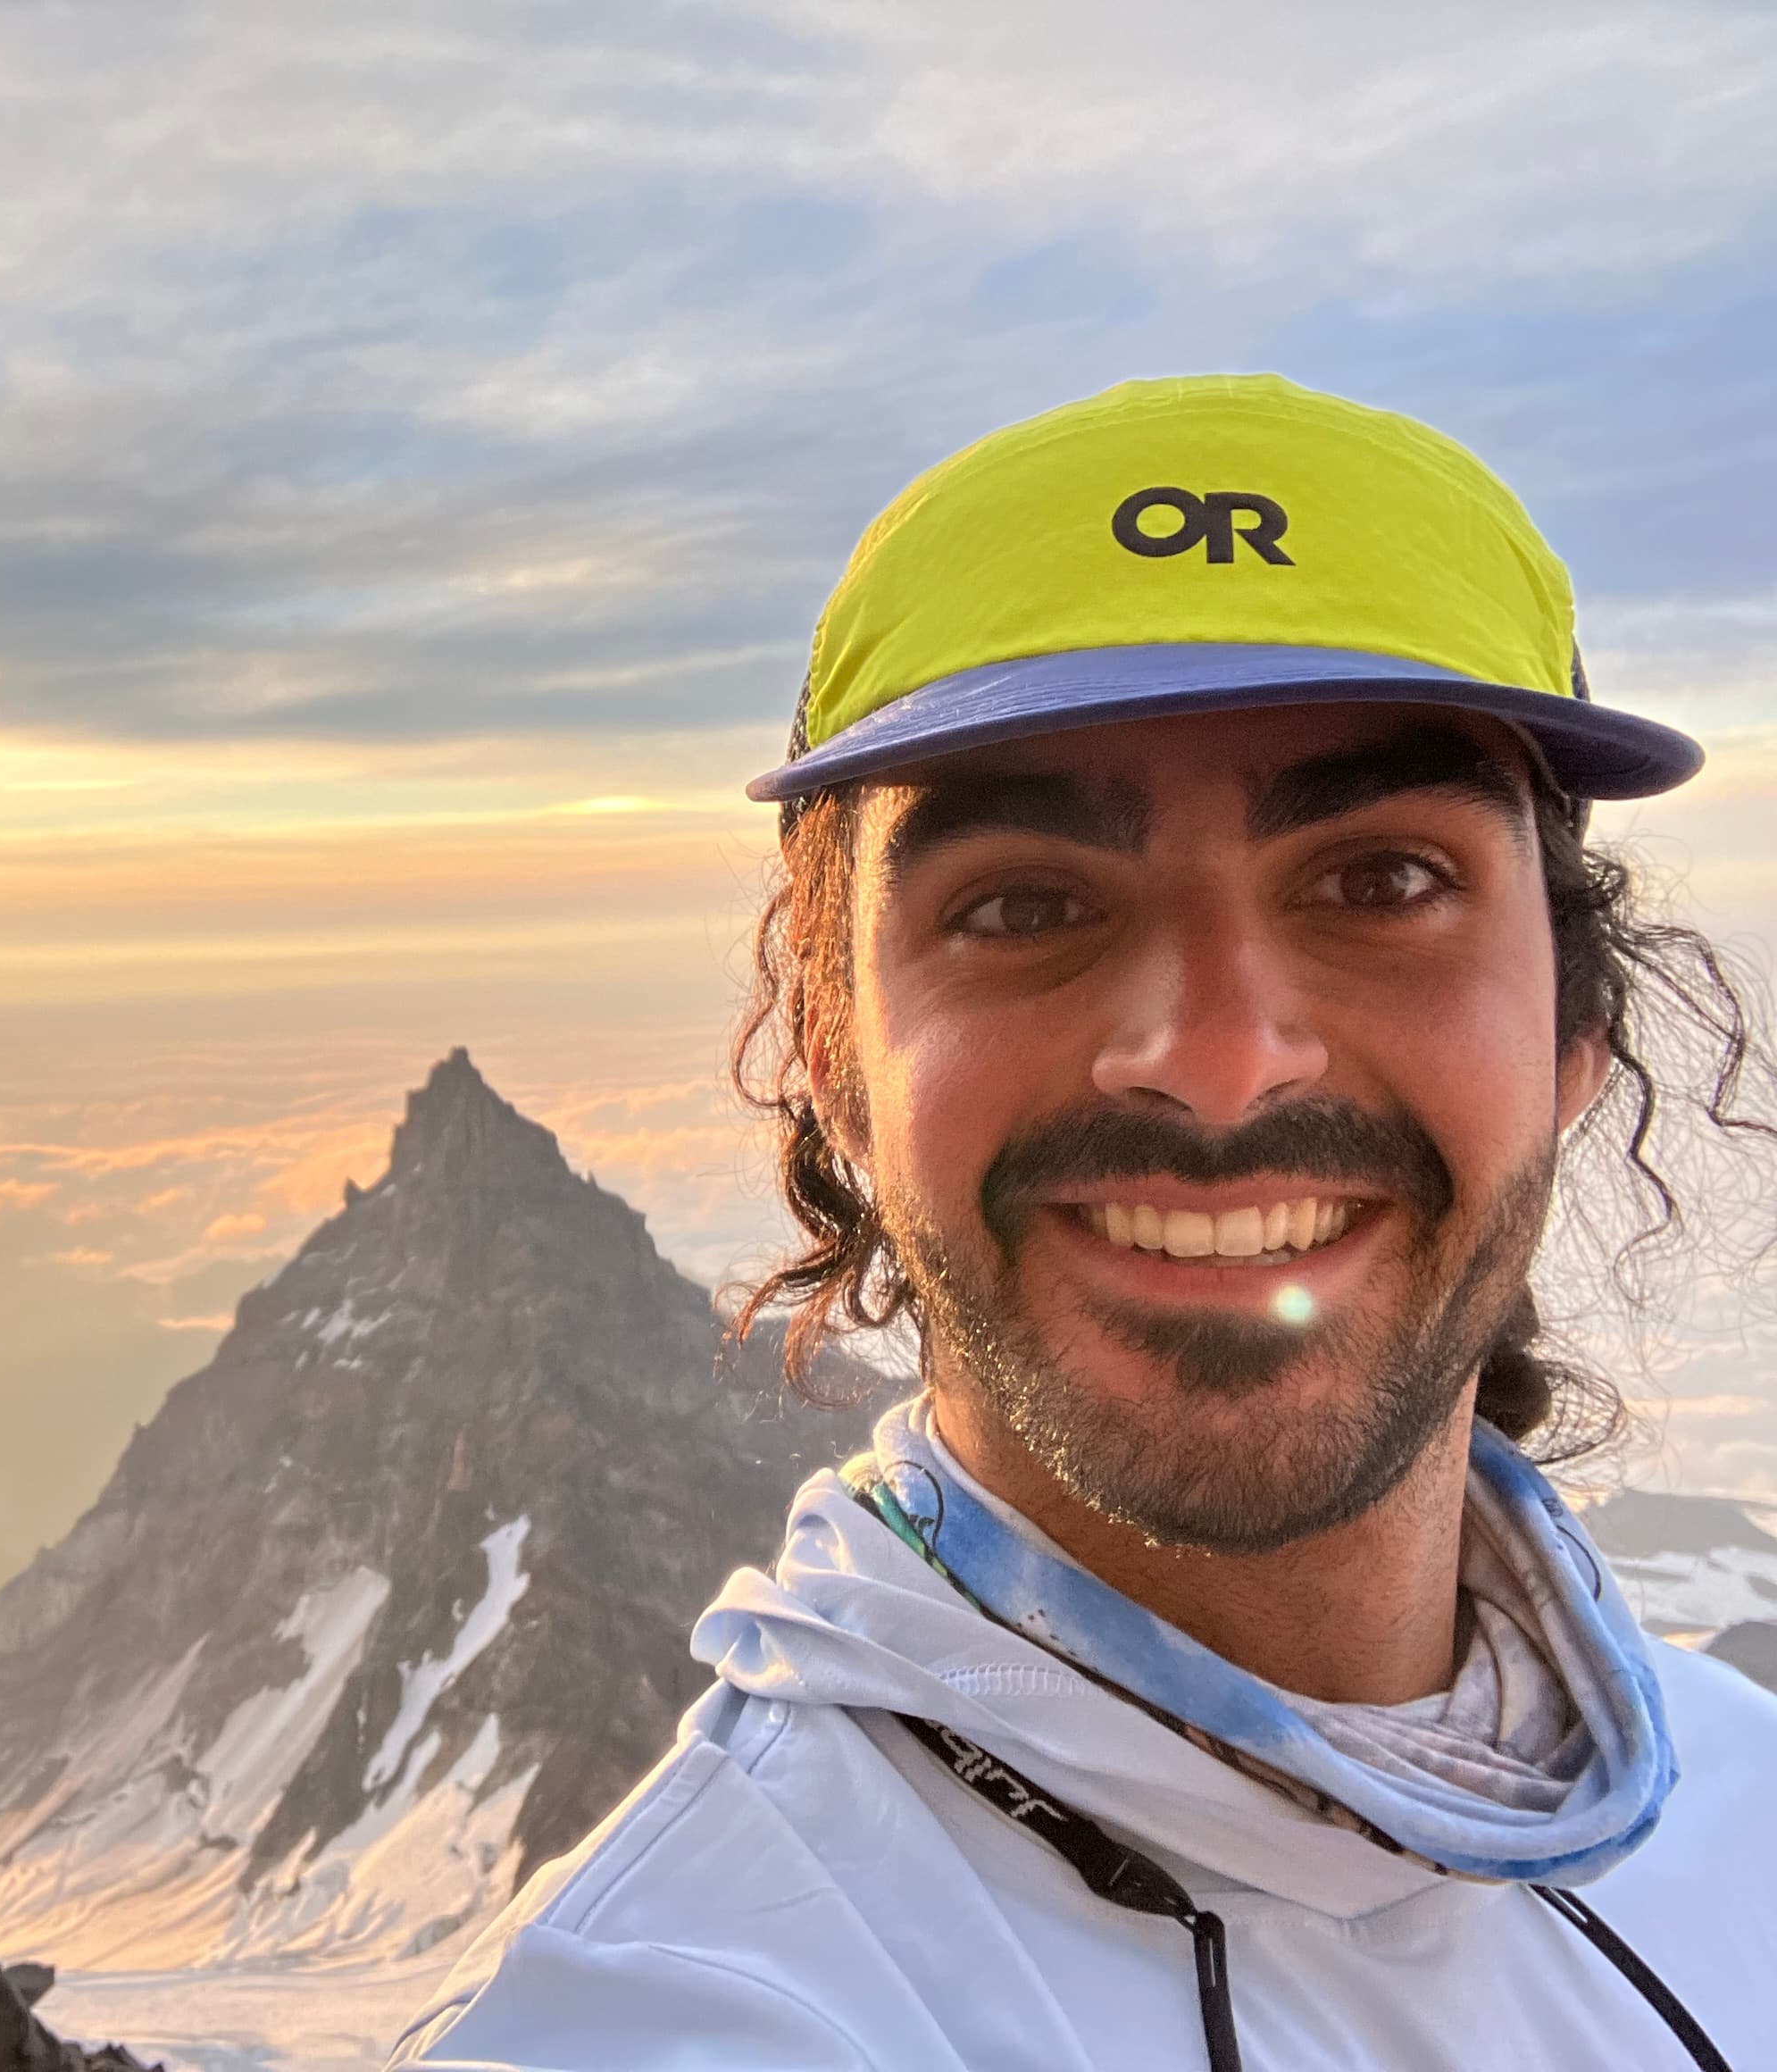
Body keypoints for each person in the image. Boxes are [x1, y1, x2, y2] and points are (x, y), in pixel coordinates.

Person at [387, 374, 1777, 2068]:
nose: (1216, 1062)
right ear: (838, 1066)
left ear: (1576, 1028)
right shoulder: (706, 2014)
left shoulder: (1743, 1799)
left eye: (1382, 881)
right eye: (1025, 904)